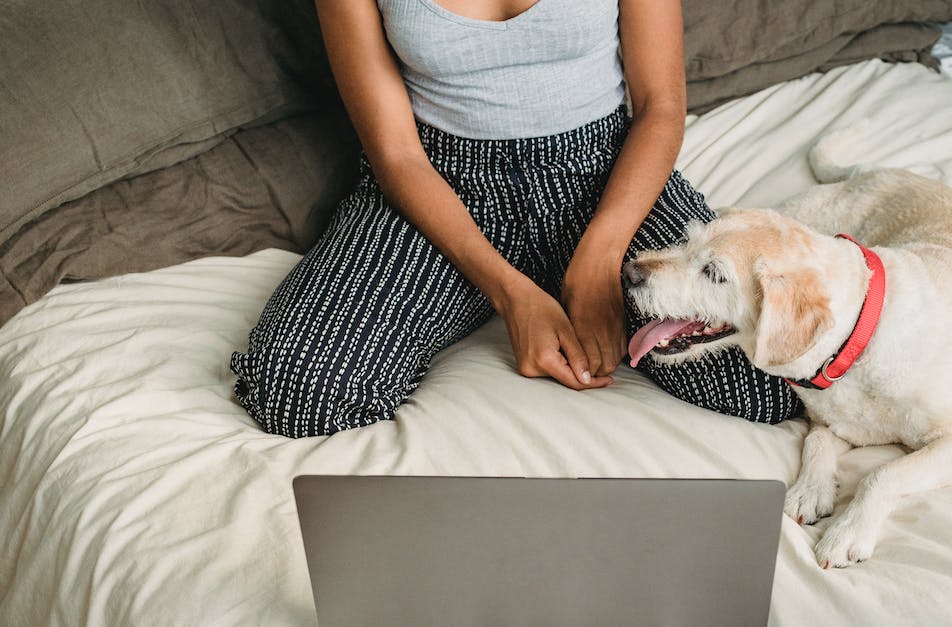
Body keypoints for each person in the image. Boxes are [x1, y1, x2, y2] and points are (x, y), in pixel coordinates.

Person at [229, 0, 799, 438]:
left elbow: (661, 107)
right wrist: (511, 297)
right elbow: (395, 154)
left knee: (772, 375)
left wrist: (598, 262)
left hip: (605, 180)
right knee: (298, 389)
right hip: (439, 186)